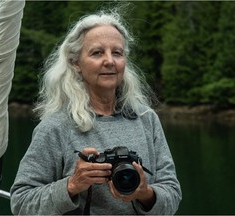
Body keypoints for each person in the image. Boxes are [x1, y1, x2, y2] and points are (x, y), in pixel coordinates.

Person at [10, 7, 182, 215]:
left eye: (117, 52)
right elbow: (21, 203)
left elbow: (172, 194)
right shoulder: (57, 126)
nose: (109, 61)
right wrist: (72, 185)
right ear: (76, 63)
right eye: (97, 52)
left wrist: (145, 192)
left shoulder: (146, 119)